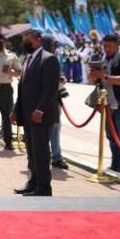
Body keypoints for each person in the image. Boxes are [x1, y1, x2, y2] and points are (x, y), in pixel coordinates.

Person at [10, 28, 60, 197]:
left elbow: (50, 89)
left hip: (41, 115)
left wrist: (40, 109)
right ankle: (32, 183)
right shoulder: (27, 59)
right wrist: (16, 110)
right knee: (31, 152)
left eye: (28, 40)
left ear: (38, 40)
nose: (25, 44)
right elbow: (22, 88)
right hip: (27, 114)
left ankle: (44, 187)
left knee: (41, 152)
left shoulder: (49, 59)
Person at [88, 34, 120, 175]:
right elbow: (100, 83)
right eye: (105, 46)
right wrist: (93, 77)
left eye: (110, 46)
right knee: (111, 136)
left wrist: (103, 76)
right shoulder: (103, 61)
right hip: (109, 105)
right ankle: (115, 165)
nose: (107, 49)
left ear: (117, 45)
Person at [42, 35, 70, 170]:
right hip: (48, 100)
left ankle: (52, 156)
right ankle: (54, 157)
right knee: (52, 128)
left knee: (54, 129)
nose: (55, 47)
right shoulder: (48, 59)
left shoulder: (49, 58)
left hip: (52, 99)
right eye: (53, 44)